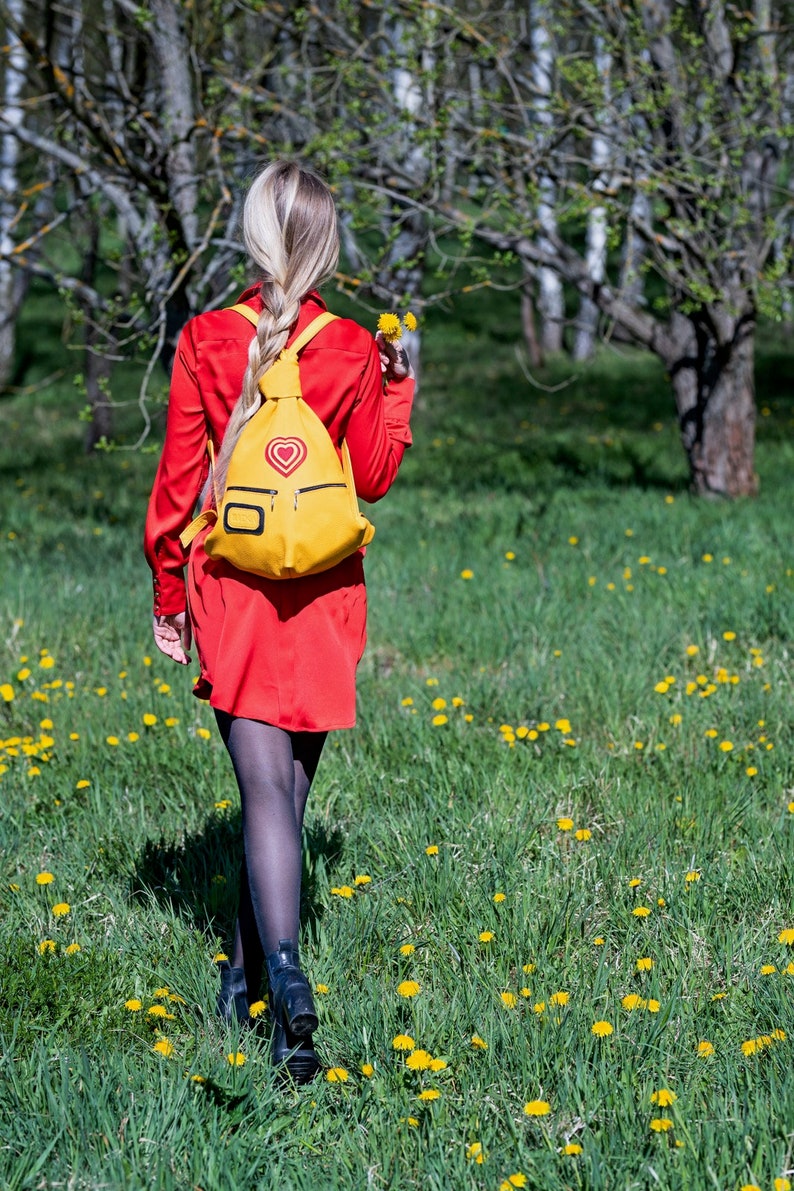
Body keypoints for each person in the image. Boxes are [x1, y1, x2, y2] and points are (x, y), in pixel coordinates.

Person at [143, 160, 415, 1083]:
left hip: (234, 587)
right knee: (286, 796)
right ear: (326, 242)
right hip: (323, 595)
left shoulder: (209, 339)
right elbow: (373, 475)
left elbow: (181, 488)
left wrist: (167, 595)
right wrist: (399, 382)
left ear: (253, 237)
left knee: (265, 795)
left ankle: (284, 982)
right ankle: (244, 978)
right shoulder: (350, 346)